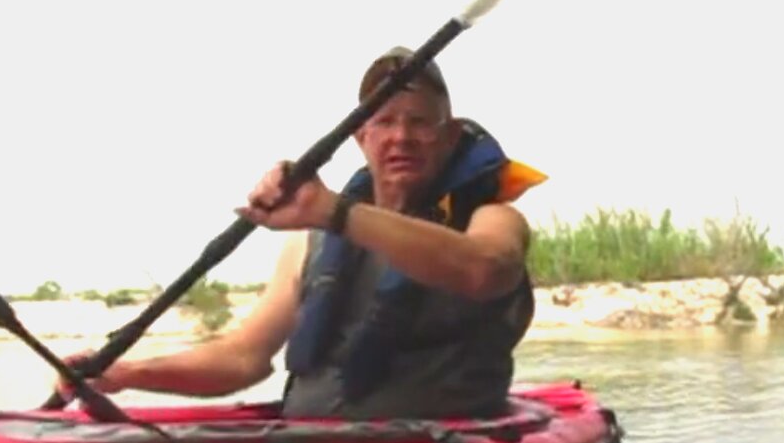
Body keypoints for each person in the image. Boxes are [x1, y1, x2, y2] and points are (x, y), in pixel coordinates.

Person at [57, 47, 546, 420]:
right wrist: (126, 373)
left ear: (450, 136)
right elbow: (243, 357)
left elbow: (485, 269)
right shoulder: (311, 241)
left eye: (420, 123)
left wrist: (330, 209)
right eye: (385, 122)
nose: (401, 137)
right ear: (361, 137)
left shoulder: (492, 219)